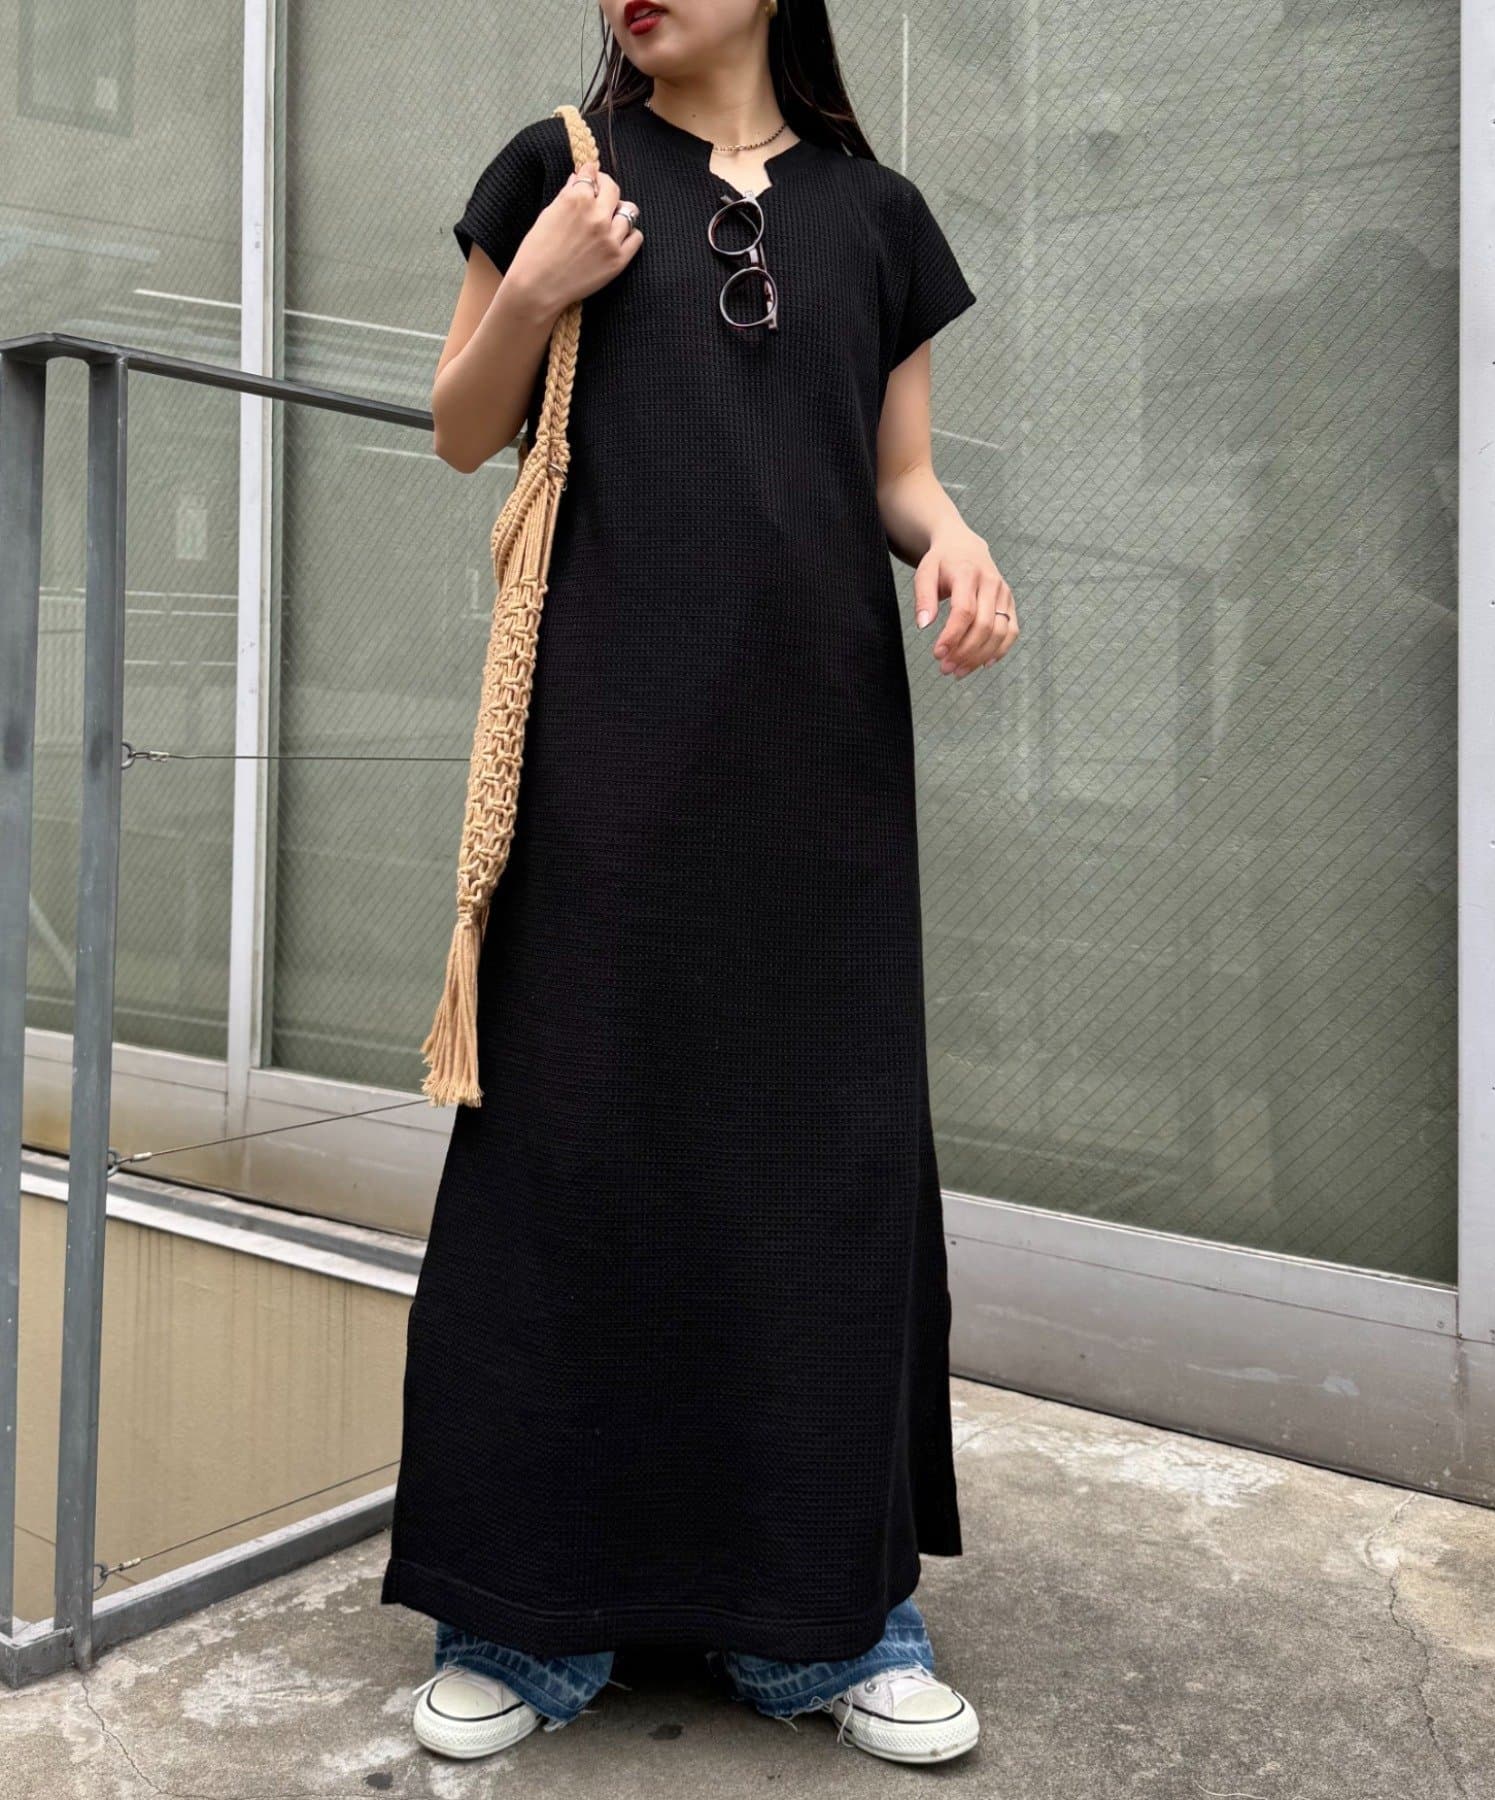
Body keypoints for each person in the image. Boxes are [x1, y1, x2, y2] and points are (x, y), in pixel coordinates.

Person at [381, 0, 1018, 1768]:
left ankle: (829, 1617)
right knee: (568, 1148)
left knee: (821, 1166)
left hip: (817, 772)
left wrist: (955, 539)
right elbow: (458, 428)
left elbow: (896, 474)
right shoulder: (558, 170)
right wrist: (537, 287)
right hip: (598, 756)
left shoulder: (877, 218)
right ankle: (520, 1612)